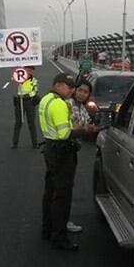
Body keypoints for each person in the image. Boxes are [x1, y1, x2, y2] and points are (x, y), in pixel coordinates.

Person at [39, 73, 97, 250]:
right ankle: (59, 237)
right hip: (62, 152)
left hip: (50, 148)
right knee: (62, 196)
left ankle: (47, 229)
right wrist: (85, 130)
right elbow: (65, 134)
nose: (71, 90)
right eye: (68, 86)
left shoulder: (46, 99)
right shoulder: (59, 104)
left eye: (73, 86)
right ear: (57, 85)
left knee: (50, 192)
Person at [11, 66, 39, 149]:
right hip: (19, 102)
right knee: (18, 123)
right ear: (24, 70)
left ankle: (35, 143)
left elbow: (35, 91)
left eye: (31, 70)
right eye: (28, 70)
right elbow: (11, 84)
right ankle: (14, 143)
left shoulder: (34, 80)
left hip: (29, 102)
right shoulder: (18, 78)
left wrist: (27, 95)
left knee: (31, 123)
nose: (29, 71)